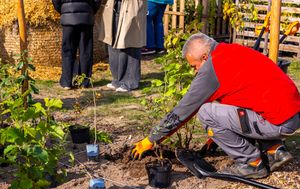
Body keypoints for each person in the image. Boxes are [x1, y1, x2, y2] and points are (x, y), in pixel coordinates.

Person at [132, 32, 300, 179]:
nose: (195, 71)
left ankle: (251, 163)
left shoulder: (212, 68)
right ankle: (275, 150)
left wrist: (152, 139)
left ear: (204, 56)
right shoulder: (232, 51)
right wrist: (219, 135)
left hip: (279, 122)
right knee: (242, 99)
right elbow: (240, 98)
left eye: (194, 66)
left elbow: (184, 110)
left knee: (206, 112)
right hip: (290, 112)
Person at [98, 0, 147, 92]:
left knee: (130, 44)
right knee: (112, 42)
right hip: (115, 7)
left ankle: (130, 82)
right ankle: (117, 80)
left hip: (131, 8)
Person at [52, 0, 101, 89]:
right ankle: (84, 82)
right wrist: (90, 10)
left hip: (68, 17)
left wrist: (64, 10)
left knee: (67, 51)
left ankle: (66, 82)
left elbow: (56, 2)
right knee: (85, 50)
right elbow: (97, 1)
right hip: (86, 16)